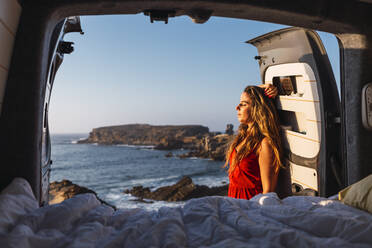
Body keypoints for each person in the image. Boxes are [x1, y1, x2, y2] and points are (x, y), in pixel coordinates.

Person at [224, 84, 283, 200]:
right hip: (234, 205)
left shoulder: (264, 143)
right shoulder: (242, 137)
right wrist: (263, 87)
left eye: (243, 104)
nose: (237, 107)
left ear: (257, 108)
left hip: (250, 209)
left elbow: (268, 192)